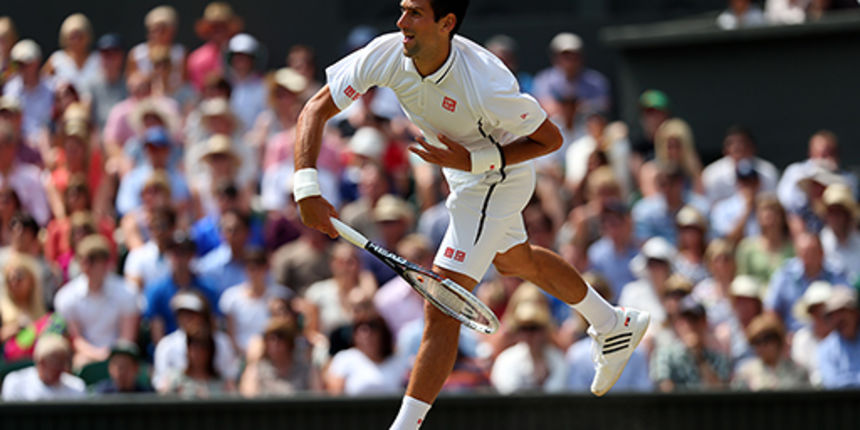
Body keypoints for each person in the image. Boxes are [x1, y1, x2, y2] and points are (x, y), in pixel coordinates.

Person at [293, 3, 649, 428]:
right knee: (516, 261)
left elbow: (549, 139)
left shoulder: (486, 82)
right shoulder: (387, 52)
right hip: (461, 175)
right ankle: (612, 322)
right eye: (403, 10)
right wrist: (307, 187)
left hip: (498, 175)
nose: (402, 22)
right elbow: (316, 108)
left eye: (415, 14)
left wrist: (475, 161)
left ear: (446, 24)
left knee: (442, 303)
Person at [53, 235, 139, 369]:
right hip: (85, 357)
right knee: (81, 363)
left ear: (106, 263)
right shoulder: (66, 297)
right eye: (83, 260)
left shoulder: (127, 292)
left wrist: (112, 355)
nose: (87, 266)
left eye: (93, 260)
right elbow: (76, 339)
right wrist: (98, 355)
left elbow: (127, 339)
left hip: (120, 358)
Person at [151, 291, 239, 392]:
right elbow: (161, 384)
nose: (186, 318)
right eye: (182, 313)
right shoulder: (166, 345)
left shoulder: (222, 342)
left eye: (191, 313)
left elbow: (229, 379)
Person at [144, 232, 219, 344]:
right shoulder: (157, 290)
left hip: (201, 348)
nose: (179, 258)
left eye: (184, 253)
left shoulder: (208, 289)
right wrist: (167, 350)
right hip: (168, 348)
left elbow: (213, 325)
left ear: (192, 255)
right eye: (175, 253)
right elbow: (157, 332)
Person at [765, 232, 847, 332]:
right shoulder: (784, 275)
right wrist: (782, 337)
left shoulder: (837, 273)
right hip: (792, 335)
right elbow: (771, 309)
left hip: (833, 335)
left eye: (812, 253)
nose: (808, 258)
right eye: (804, 253)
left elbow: (848, 306)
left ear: (822, 253)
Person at [219, 248, 292, 355]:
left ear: (266, 268)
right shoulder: (231, 297)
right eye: (251, 268)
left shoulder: (281, 295)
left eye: (259, 267)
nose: (255, 272)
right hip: (240, 355)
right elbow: (230, 334)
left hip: (273, 354)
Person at [650, 297, 732, 392]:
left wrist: (698, 357)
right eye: (685, 321)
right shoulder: (664, 355)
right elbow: (663, 388)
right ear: (677, 324)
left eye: (694, 320)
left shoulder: (718, 359)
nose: (690, 326)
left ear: (704, 323)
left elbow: (720, 392)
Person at [490, 299, 567, 394]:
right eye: (523, 328)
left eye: (534, 328)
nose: (529, 334)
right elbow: (509, 394)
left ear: (544, 330)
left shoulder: (557, 358)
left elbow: (559, 392)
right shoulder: (506, 359)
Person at [324, 314, 409, 396]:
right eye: (362, 329)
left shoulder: (397, 361)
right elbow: (335, 394)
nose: (367, 335)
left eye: (373, 328)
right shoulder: (344, 358)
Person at [239, 316, 320, 396]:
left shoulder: (307, 370)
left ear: (290, 342)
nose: (275, 343)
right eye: (270, 338)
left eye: (280, 337)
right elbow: (249, 398)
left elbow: (317, 397)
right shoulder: (256, 370)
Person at [533, 32, 610, 116]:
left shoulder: (596, 80)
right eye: (566, 56)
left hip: (588, 122)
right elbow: (545, 107)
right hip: (556, 122)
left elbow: (604, 105)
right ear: (555, 57)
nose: (571, 59)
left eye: (575, 55)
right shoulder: (543, 79)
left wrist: (579, 108)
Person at [702, 125, 778, 205]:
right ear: (725, 150)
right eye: (732, 143)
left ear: (753, 147)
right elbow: (709, 206)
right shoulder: (712, 174)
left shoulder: (768, 171)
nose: (738, 147)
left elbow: (774, 204)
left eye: (743, 143)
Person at [732, 313, 808, 390]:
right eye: (757, 341)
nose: (762, 345)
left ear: (778, 340)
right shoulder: (746, 373)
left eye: (767, 338)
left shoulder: (798, 370)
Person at [1, 333, 86, 400]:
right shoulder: (15, 383)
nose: (62, 368)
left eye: (63, 362)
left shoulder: (76, 386)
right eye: (56, 363)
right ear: (41, 362)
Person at [735, 194, 794, 283]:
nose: (769, 215)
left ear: (781, 216)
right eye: (764, 211)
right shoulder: (747, 248)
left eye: (773, 211)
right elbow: (742, 280)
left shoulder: (793, 248)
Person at [0, 121, 50, 226]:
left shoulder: (32, 176)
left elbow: (42, 216)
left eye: (1, 146)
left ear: (12, 147)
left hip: (25, 233)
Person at [161, 325, 234, 397]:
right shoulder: (174, 379)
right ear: (188, 349)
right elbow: (163, 399)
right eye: (194, 346)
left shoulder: (223, 382)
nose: (198, 352)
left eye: (203, 347)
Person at [586, 201, 638, 299]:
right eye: (607, 225)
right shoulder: (596, 253)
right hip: (607, 305)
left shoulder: (641, 251)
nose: (612, 230)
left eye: (616, 224)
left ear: (628, 223)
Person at [3, 39, 53, 141]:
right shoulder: (10, 89)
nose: (21, 68)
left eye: (25, 64)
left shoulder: (51, 88)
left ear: (37, 63)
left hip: (47, 141)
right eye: (17, 64)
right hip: (18, 143)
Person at [127, 6, 185, 87]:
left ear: (172, 31)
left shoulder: (180, 52)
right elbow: (131, 82)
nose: (158, 34)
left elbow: (184, 81)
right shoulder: (136, 54)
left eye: (162, 30)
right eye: (155, 29)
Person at [42, 13, 102, 91]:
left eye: (80, 36)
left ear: (87, 36)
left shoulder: (98, 59)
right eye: (72, 37)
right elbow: (42, 84)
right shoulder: (56, 60)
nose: (76, 41)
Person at [789, 281, 832, 386]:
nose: (820, 314)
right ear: (810, 313)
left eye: (825, 310)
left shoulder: (842, 338)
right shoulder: (802, 339)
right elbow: (799, 374)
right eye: (815, 310)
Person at [710, 159, 764, 242]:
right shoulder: (723, 208)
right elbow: (729, 238)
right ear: (737, 183)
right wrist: (747, 210)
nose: (748, 186)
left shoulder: (767, 206)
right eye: (744, 182)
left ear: (758, 183)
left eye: (751, 182)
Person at [817, 287, 860, 388]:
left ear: (855, 312)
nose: (838, 318)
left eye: (842, 311)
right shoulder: (826, 349)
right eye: (832, 315)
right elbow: (831, 383)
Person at [819, 183, 860, 283]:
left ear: (848, 215)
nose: (834, 217)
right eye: (831, 212)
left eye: (839, 212)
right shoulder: (820, 243)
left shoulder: (858, 241)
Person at [226, 33, 266, 131]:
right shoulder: (224, 84)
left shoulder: (263, 86)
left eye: (245, 57)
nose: (240, 61)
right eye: (237, 57)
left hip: (255, 136)